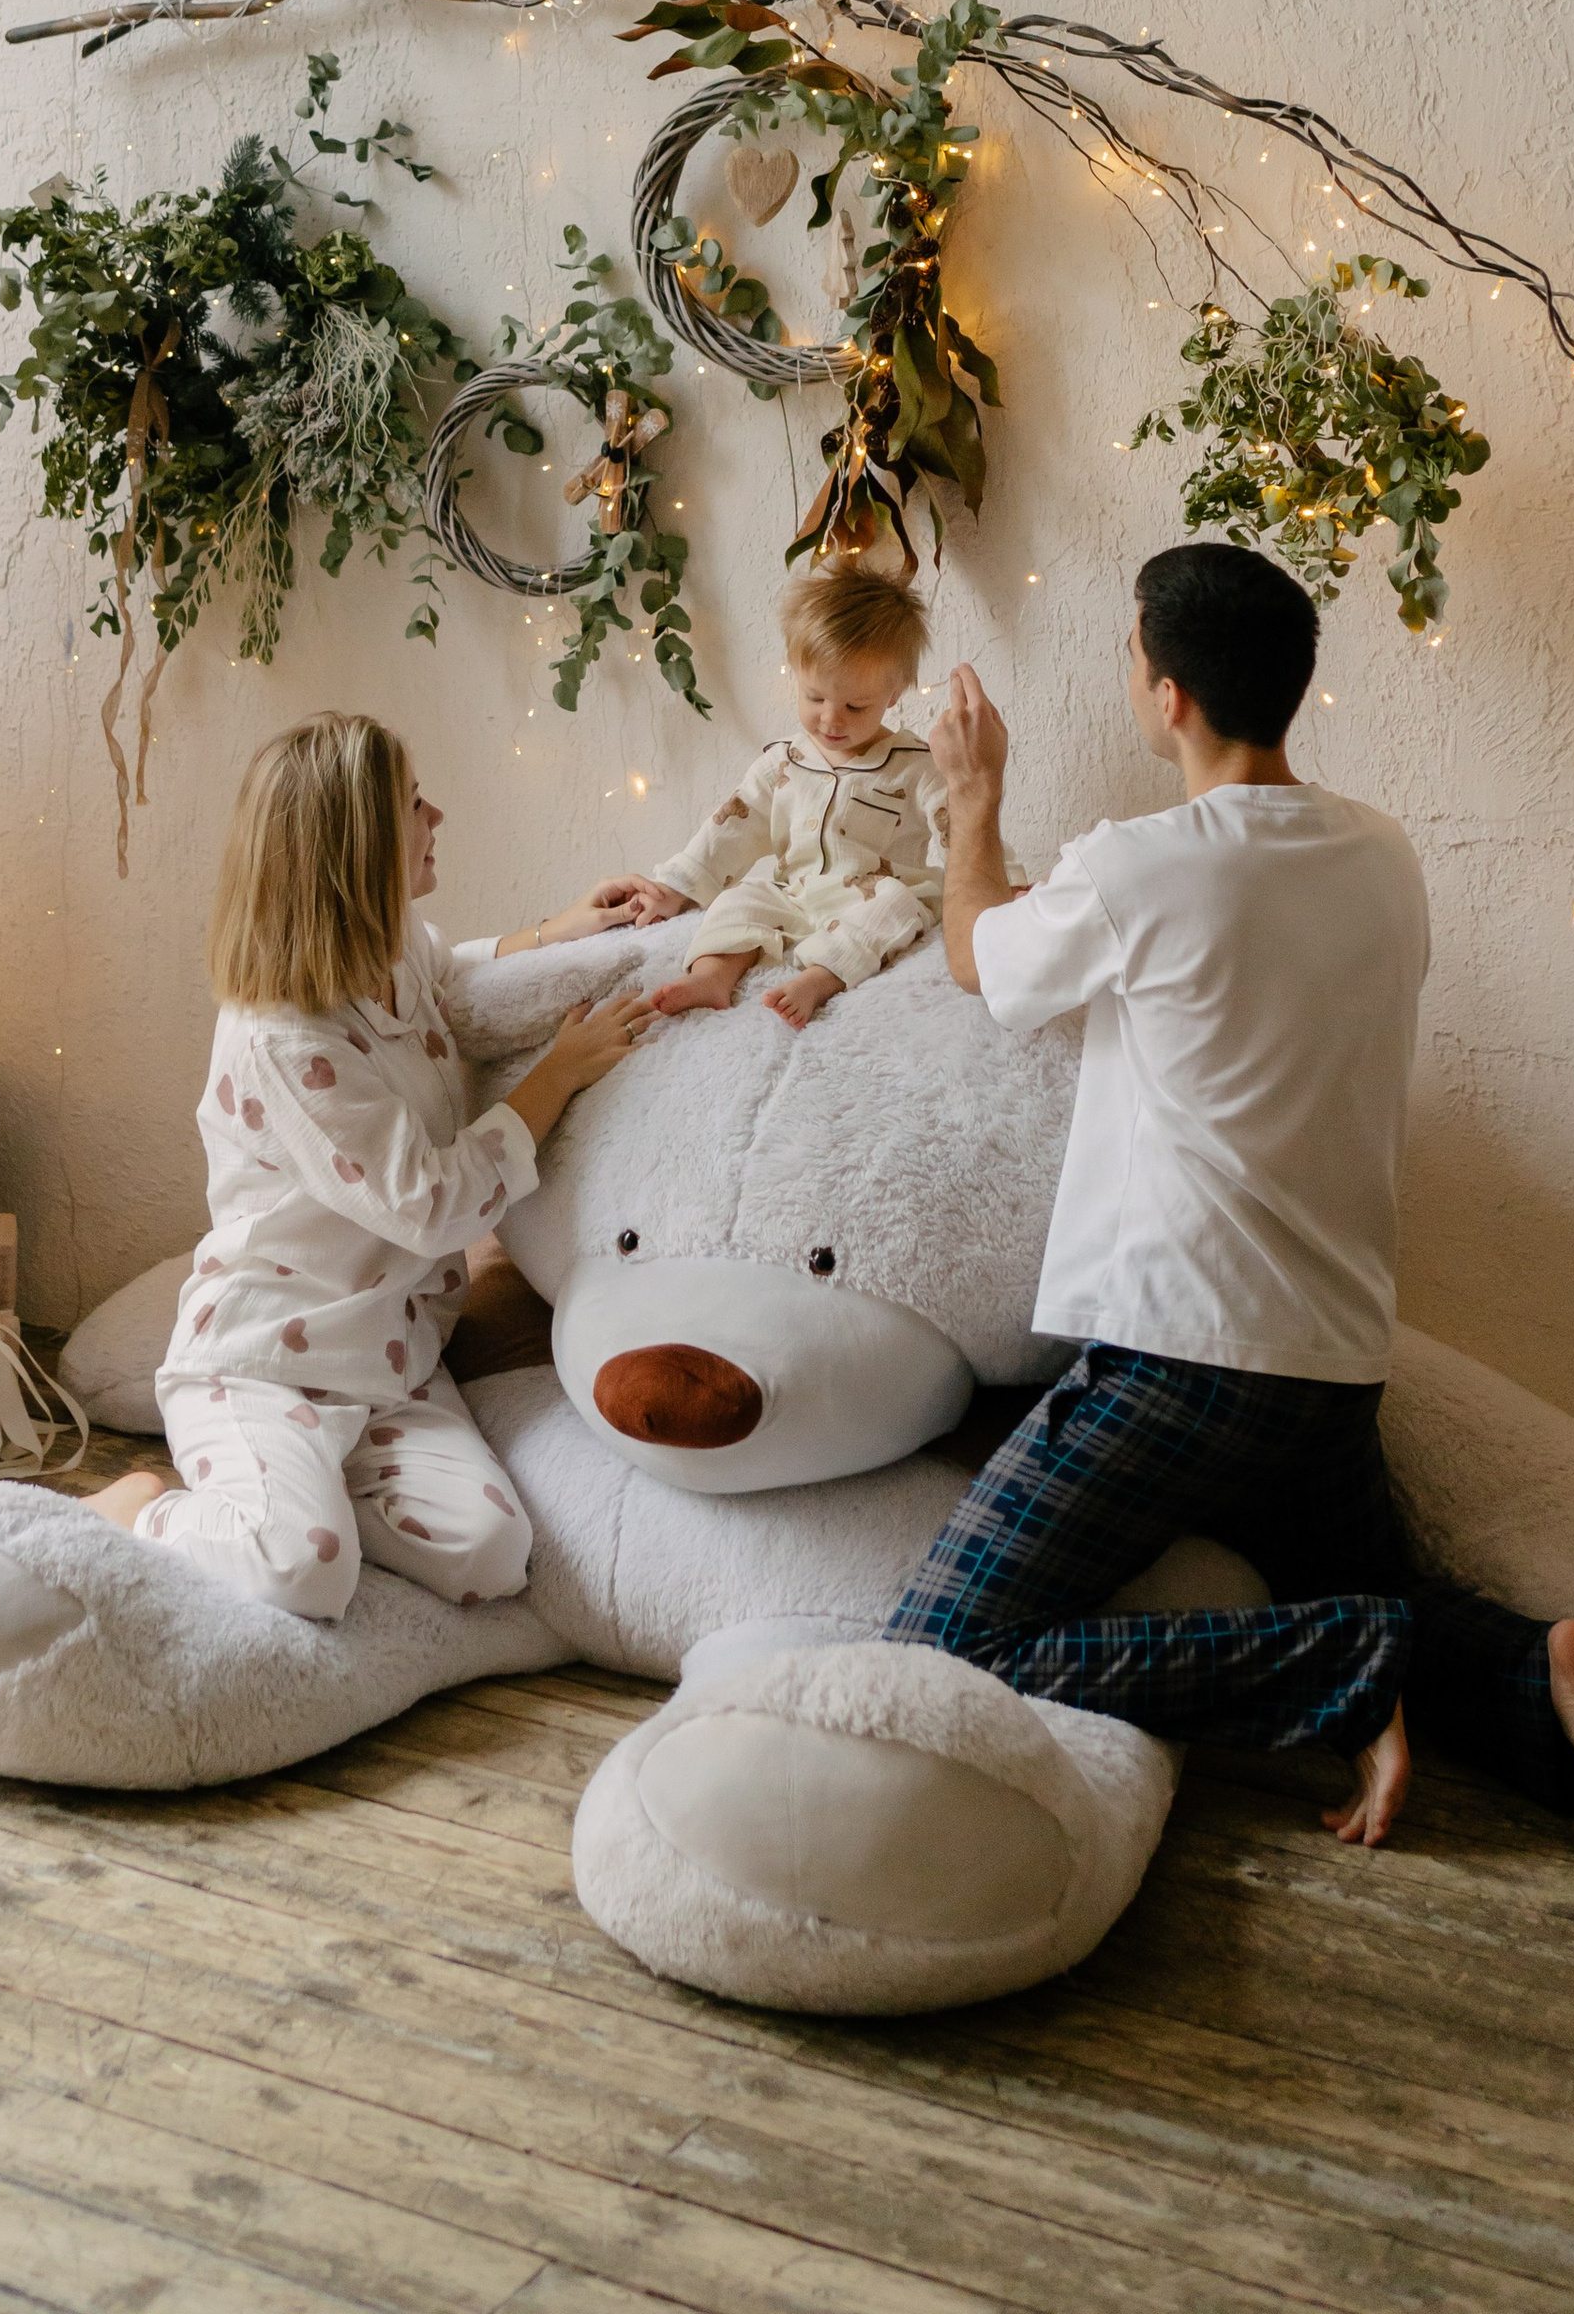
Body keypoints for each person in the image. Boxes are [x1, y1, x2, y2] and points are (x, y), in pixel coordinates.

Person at [890, 537, 1574, 1855]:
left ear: (1170, 699)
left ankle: (1337, 1659)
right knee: (1401, 1630)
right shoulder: (1383, 858)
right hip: (1328, 1359)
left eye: (1136, 657)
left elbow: (980, 959)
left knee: (949, 1643)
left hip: (1179, 1359)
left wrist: (972, 802)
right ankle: (1551, 1677)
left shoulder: (1138, 862)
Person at [87, 712, 650, 1613]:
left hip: (391, 1363)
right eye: (414, 805)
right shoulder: (284, 1039)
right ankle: (139, 1516)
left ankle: (308, 1496)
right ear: (357, 846)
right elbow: (431, 1206)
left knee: (490, 1553)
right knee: (300, 1570)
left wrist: (562, 928)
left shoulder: (394, 950)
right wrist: (558, 1074)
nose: (438, 817)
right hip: (265, 1358)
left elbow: (457, 981)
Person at [612, 564, 1004, 1023]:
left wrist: (1006, 885)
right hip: (792, 894)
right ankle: (712, 977)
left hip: (872, 898)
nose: (831, 720)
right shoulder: (782, 764)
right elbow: (730, 827)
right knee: (739, 900)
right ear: (796, 675)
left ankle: (819, 979)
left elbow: (966, 831)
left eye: (855, 706)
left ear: (894, 693)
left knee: (902, 907)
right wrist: (675, 888)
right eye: (815, 698)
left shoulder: (917, 766)